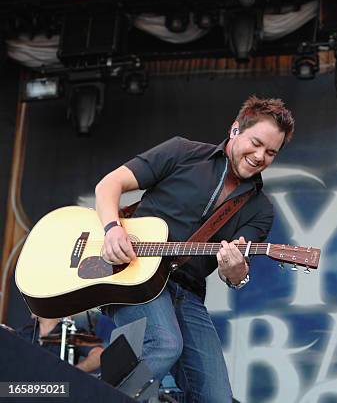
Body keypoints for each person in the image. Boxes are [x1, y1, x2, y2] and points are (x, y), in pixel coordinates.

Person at [95, 96, 295, 403]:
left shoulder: (260, 209)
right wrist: (112, 229)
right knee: (163, 343)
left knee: (217, 397)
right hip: (133, 274)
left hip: (186, 293)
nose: (259, 156)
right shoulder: (182, 152)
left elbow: (237, 273)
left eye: (271, 152)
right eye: (255, 143)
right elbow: (109, 184)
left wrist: (234, 268)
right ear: (235, 130)